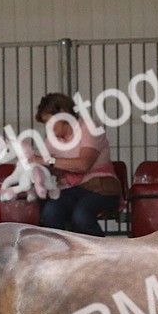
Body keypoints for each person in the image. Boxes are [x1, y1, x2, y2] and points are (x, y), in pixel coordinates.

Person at [33, 93, 122, 237]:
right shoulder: (53, 139)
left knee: (81, 215)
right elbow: (45, 165)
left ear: (63, 114)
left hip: (100, 187)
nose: (47, 127)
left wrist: (48, 161)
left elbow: (83, 164)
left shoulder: (90, 127)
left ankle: (101, 255)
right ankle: (61, 255)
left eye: (49, 121)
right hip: (70, 189)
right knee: (50, 213)